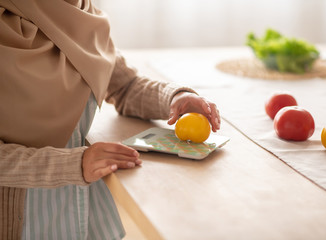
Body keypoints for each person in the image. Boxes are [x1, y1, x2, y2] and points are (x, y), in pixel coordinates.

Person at [0, 0, 220, 239]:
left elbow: (125, 85)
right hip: (24, 219)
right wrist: (74, 164)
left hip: (84, 209)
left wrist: (176, 97)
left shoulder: (81, 13)